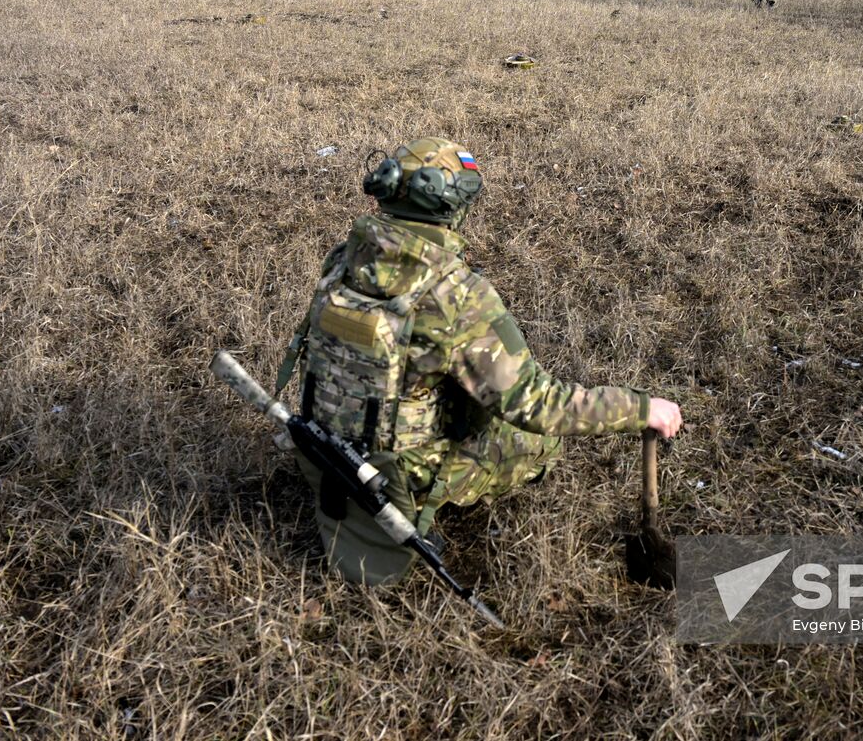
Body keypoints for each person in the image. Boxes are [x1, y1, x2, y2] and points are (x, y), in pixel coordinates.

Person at [279, 137, 685, 586]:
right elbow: (536, 404)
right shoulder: (457, 295)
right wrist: (641, 408)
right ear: (453, 206)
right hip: (397, 476)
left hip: (324, 447)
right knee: (539, 443)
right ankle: (428, 496)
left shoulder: (344, 258)